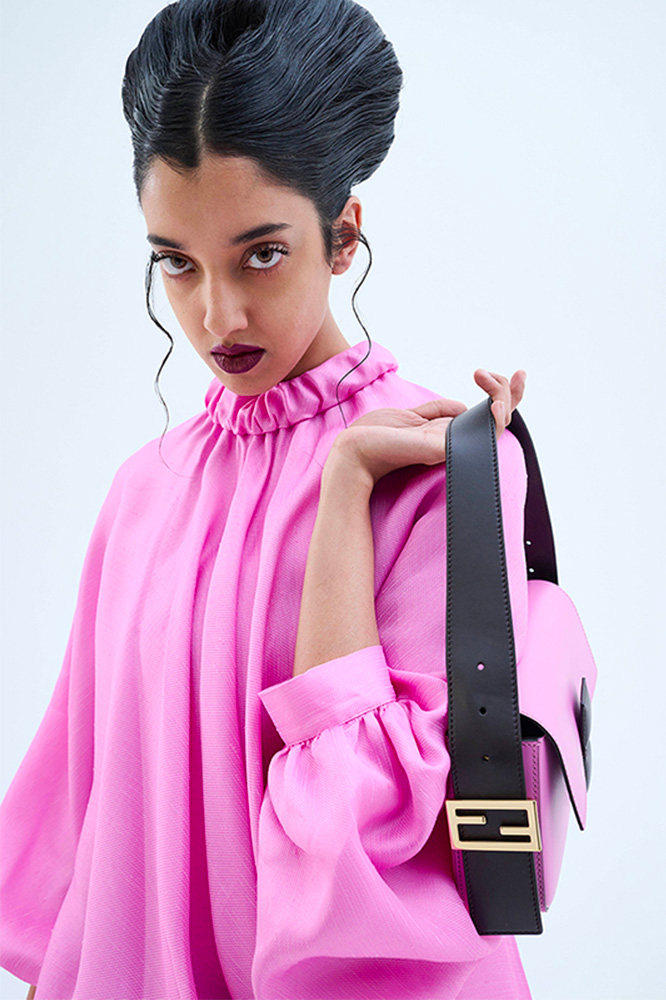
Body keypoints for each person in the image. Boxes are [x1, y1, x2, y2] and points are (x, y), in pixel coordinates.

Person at [0, 1, 531, 997]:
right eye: (176, 262)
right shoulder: (144, 490)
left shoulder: (442, 468)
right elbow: (89, 829)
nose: (217, 315)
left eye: (261, 253)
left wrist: (347, 487)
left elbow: (364, 835)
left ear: (343, 236)